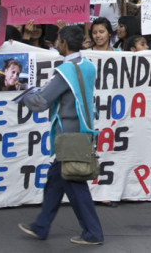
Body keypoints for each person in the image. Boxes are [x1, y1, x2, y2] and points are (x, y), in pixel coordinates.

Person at [17, 25, 103, 245]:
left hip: (68, 136)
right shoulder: (88, 66)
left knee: (74, 184)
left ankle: (93, 233)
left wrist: (22, 91)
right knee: (56, 180)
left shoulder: (66, 71)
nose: (56, 42)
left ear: (64, 43)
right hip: (81, 132)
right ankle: (41, 225)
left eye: (58, 39)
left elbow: (41, 102)